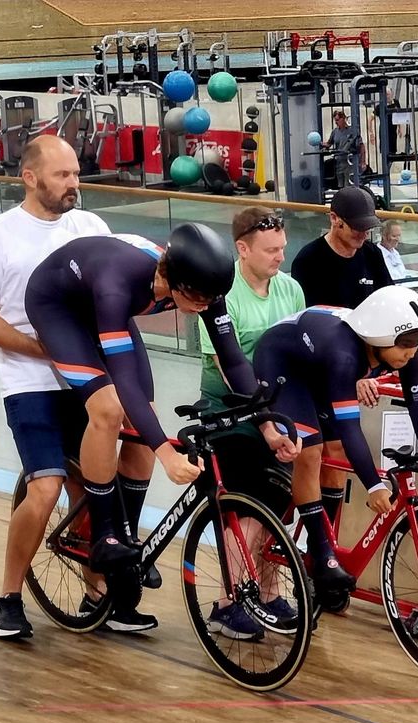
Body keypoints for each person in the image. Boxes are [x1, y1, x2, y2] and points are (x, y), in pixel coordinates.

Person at [26, 225, 299, 583]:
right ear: (176, 281)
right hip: (59, 306)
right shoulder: (118, 285)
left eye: (210, 300)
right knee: (109, 409)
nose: (204, 307)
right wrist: (166, 454)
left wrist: (267, 425)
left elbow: (232, 360)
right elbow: (125, 384)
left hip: (109, 306)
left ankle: (128, 536)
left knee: (144, 416)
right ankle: (103, 535)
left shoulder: (204, 285)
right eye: (198, 299)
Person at [0, 135, 136, 639]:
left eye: (76, 173)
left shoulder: (91, 226)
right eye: (62, 176)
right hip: (29, 381)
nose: (73, 184)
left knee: (94, 486)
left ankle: (99, 592)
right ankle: (8, 596)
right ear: (30, 178)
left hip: (86, 379)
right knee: (47, 486)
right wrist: (40, 348)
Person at [253, 285, 418, 598]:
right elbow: (352, 429)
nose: (412, 351)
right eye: (406, 342)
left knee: (336, 454)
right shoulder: (345, 354)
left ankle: (320, 549)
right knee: (311, 451)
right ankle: (322, 554)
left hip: (319, 367)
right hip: (284, 365)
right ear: (378, 337)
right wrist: (374, 485)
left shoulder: (402, 350)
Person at [193, 207, 304, 636]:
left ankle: (268, 593)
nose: (280, 255)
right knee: (250, 501)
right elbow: (228, 367)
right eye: (271, 249)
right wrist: (266, 427)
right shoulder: (224, 293)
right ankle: (227, 602)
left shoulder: (291, 289)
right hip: (228, 411)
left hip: (275, 409)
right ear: (242, 248)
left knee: (278, 502)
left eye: (282, 247)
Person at [291, 186, 393, 309]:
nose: (364, 234)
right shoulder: (308, 261)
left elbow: (388, 297)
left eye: (367, 228)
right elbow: (308, 315)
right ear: (334, 219)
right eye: (357, 227)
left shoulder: (372, 253)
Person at [323, 110, 366, 189]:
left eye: (337, 120)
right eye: (335, 120)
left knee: (349, 185)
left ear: (343, 118)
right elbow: (329, 143)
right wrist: (322, 144)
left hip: (349, 163)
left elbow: (361, 146)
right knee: (341, 186)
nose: (336, 122)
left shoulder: (352, 131)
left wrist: (363, 161)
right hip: (339, 163)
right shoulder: (335, 132)